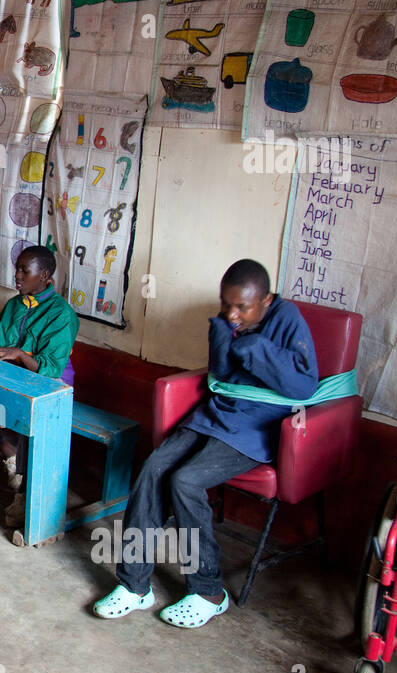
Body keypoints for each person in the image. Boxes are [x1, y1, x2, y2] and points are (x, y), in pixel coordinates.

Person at [92, 259, 318, 629]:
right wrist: (225, 335)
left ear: (267, 300)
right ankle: (134, 586)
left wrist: (254, 347)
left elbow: (303, 386)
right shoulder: (228, 320)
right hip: (216, 415)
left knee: (186, 480)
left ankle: (210, 591)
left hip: (257, 427)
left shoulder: (287, 318)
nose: (232, 314)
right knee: (152, 469)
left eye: (242, 307)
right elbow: (222, 372)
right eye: (225, 304)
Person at [0, 245, 79, 528]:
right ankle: (11, 454)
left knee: (28, 420)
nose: (17, 275)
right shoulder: (14, 305)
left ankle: (25, 492)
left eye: (25, 270)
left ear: (44, 275)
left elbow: (52, 368)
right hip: (15, 378)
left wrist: (20, 354)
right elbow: (1, 349)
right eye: (17, 268)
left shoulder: (61, 314)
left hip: (50, 386)